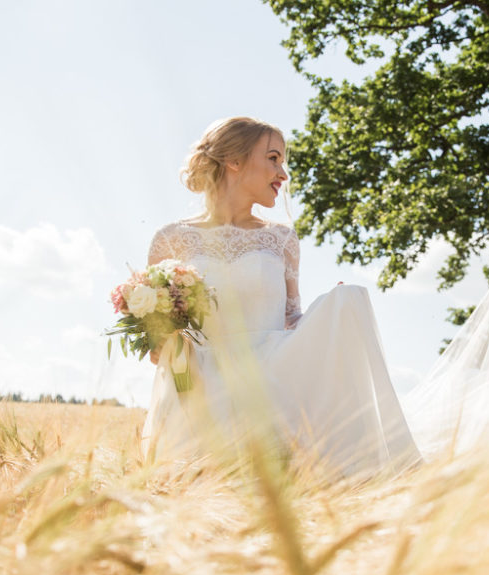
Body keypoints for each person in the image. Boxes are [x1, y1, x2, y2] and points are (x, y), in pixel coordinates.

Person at [141, 117, 420, 478]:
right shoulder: (170, 240)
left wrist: (330, 316)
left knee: (349, 301)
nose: (283, 173)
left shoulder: (282, 240)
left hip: (269, 382)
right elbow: (155, 348)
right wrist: (166, 342)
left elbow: (291, 321)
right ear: (234, 161)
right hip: (201, 387)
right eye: (273, 158)